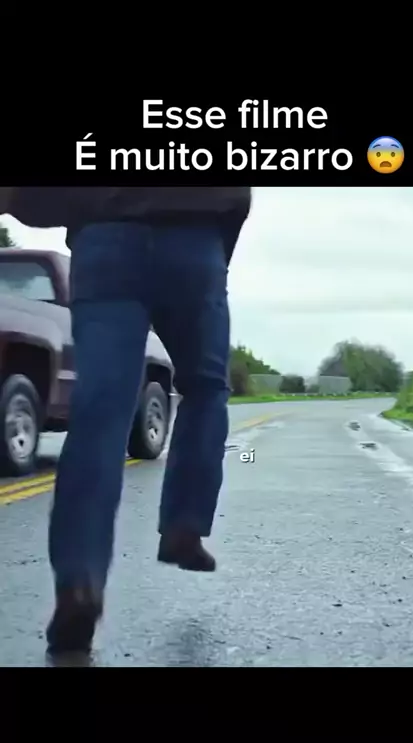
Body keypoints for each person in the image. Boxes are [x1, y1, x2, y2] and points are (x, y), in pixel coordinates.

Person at [6, 187, 251, 655]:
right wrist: (215, 254)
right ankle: (185, 524)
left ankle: (79, 581)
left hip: (105, 245)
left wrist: (79, 208)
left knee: (100, 410)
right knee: (205, 388)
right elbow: (237, 192)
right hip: (195, 240)